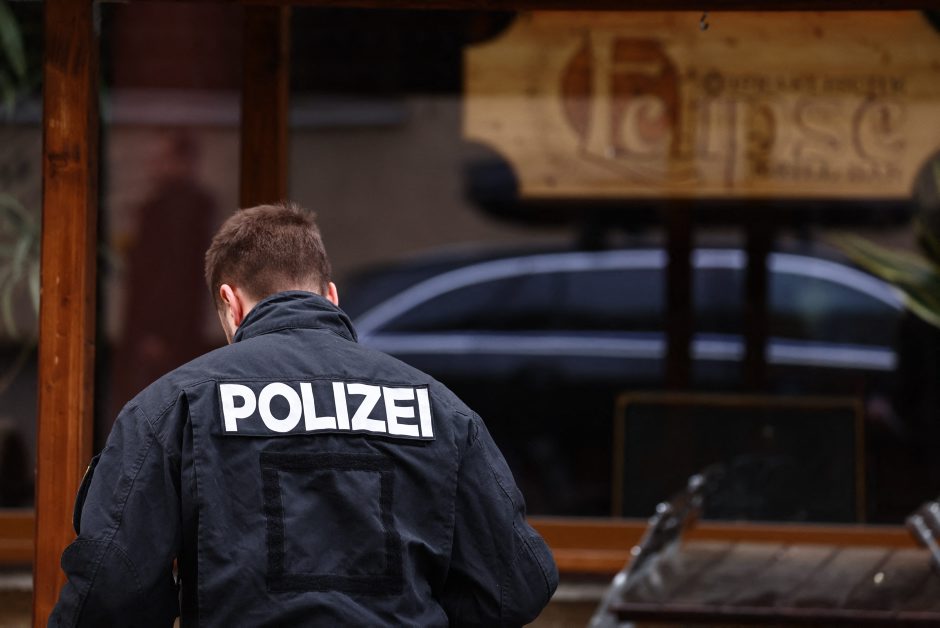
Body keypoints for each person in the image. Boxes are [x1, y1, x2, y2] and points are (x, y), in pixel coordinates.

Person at [50, 202, 558, 627]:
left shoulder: (175, 405)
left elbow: (109, 591)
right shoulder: (440, 410)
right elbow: (517, 585)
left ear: (230, 304)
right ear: (331, 296)